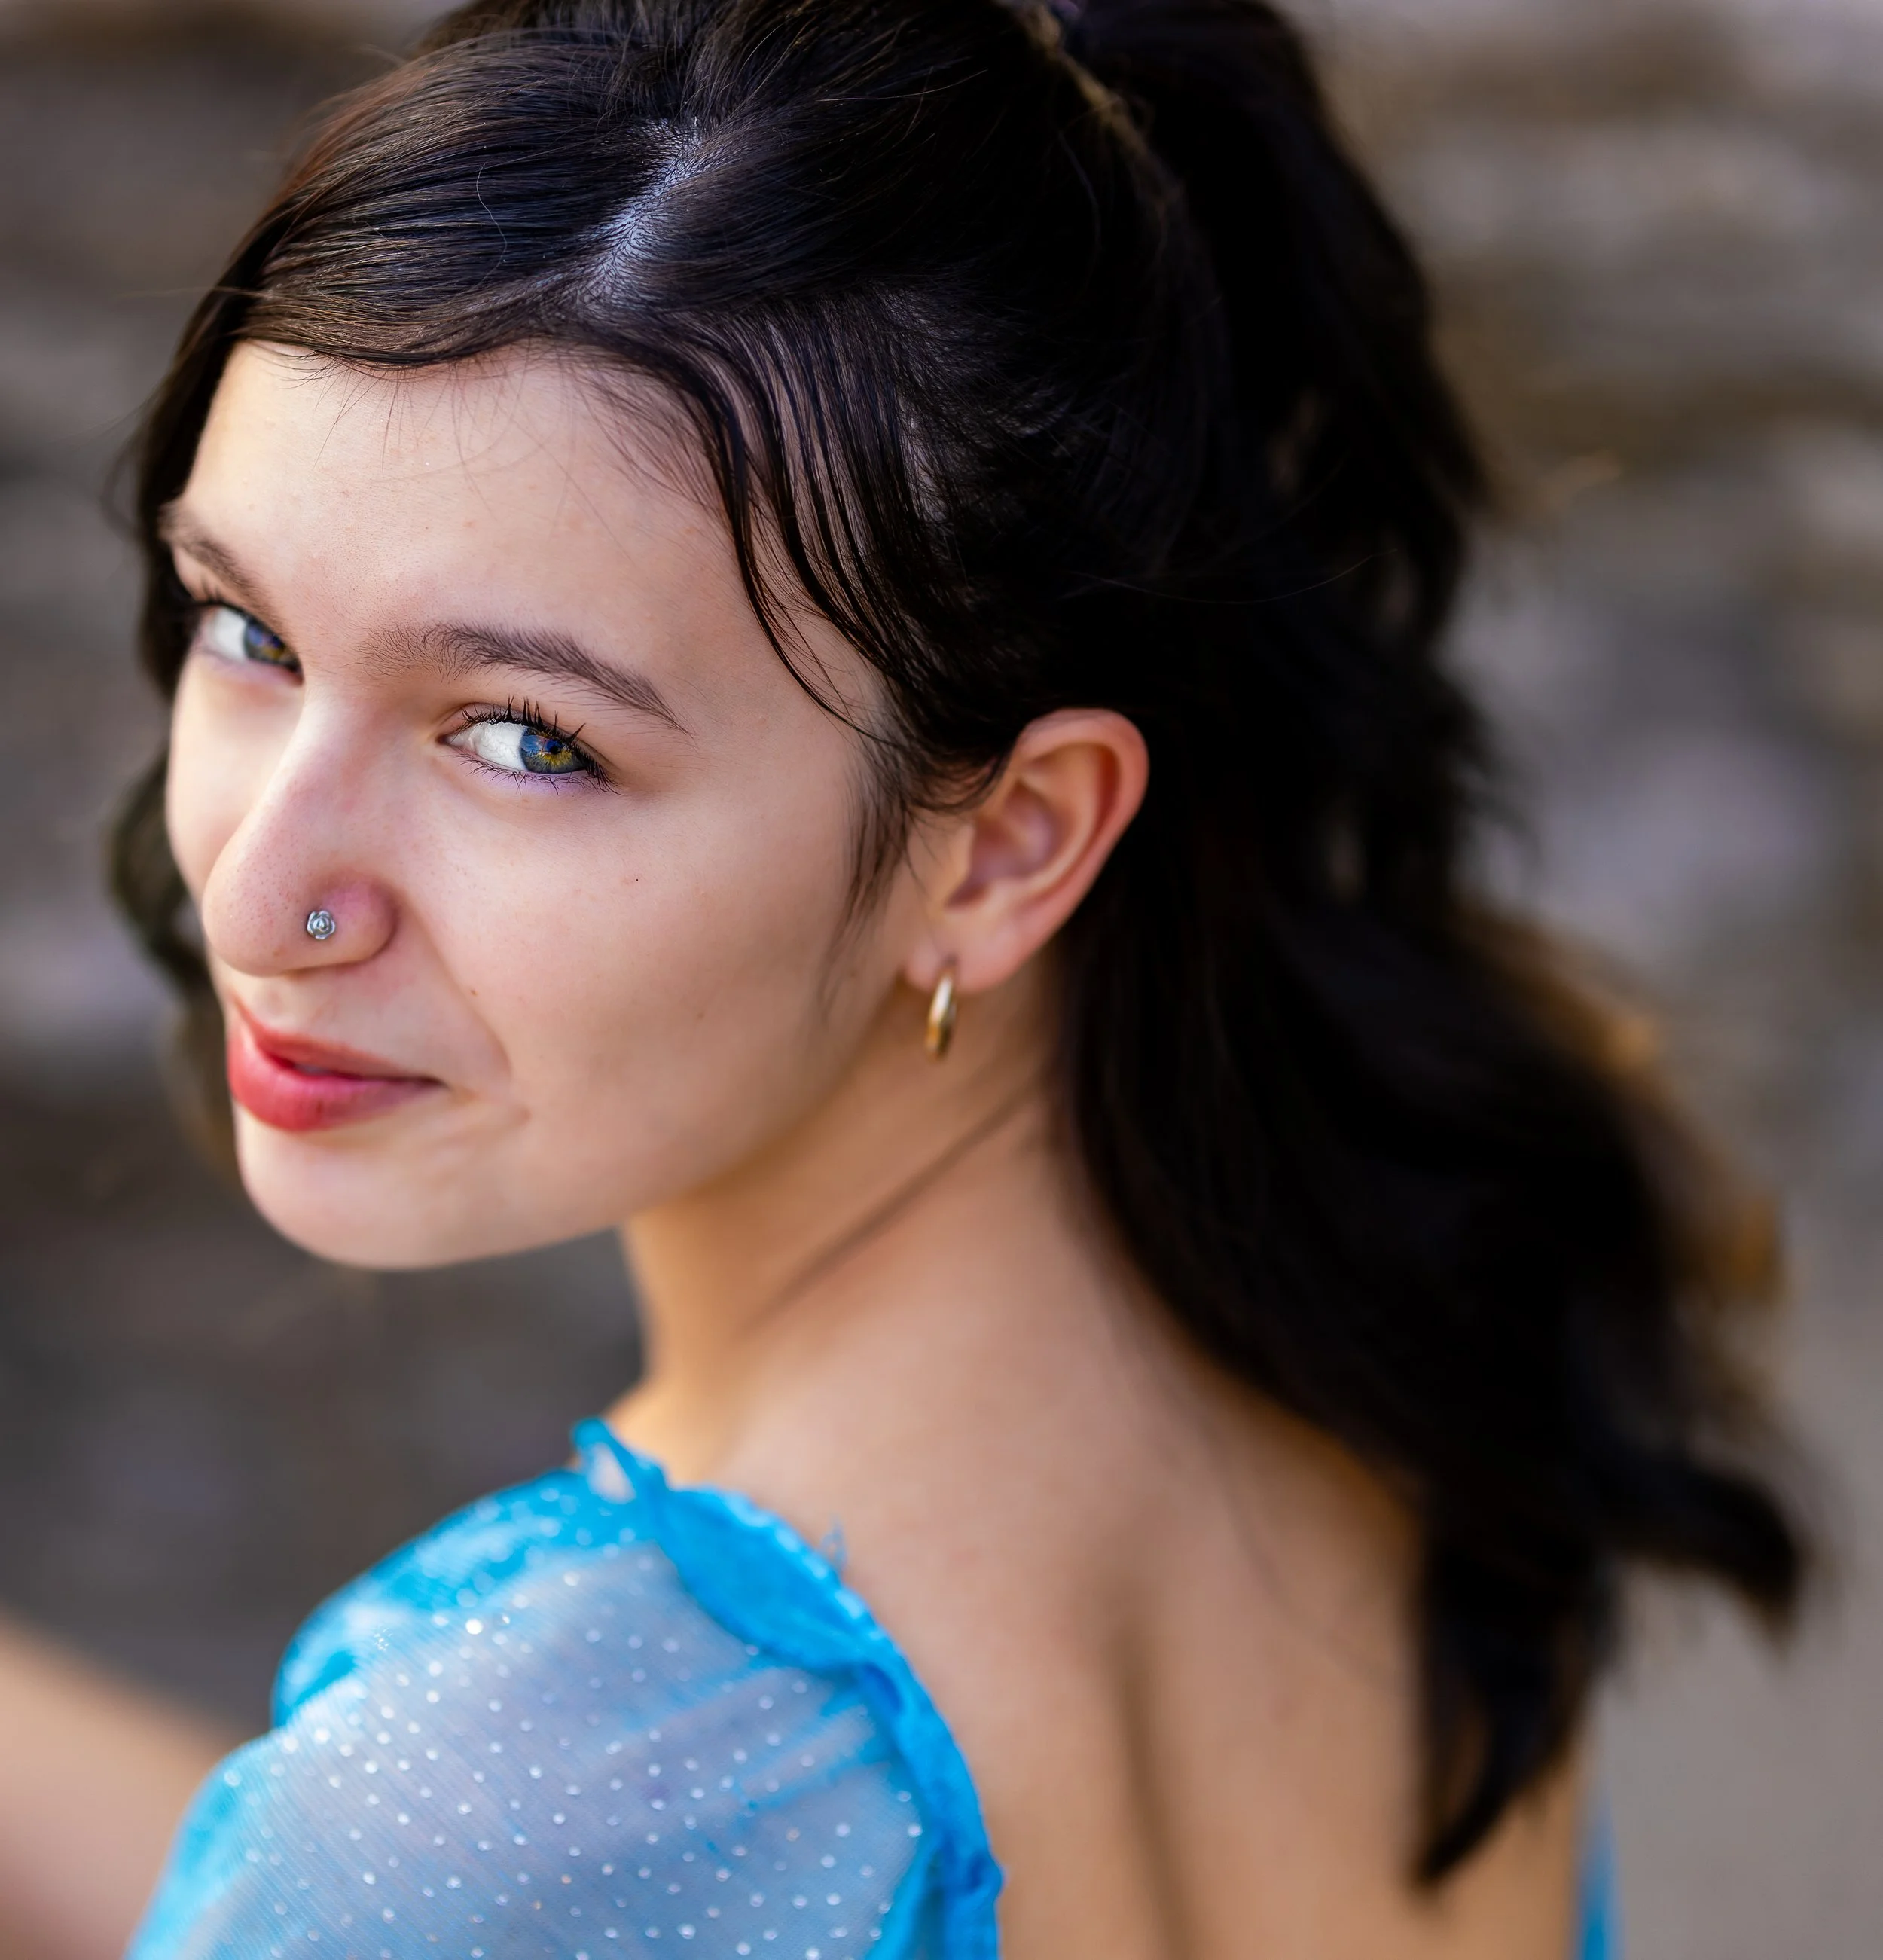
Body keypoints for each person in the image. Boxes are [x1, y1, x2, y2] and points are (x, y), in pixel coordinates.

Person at [6, 0, 1808, 1954]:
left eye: (527, 739)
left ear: (1007, 840)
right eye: (244, 626)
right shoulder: (1391, 1364)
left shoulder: (522, 1801)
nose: (265, 894)